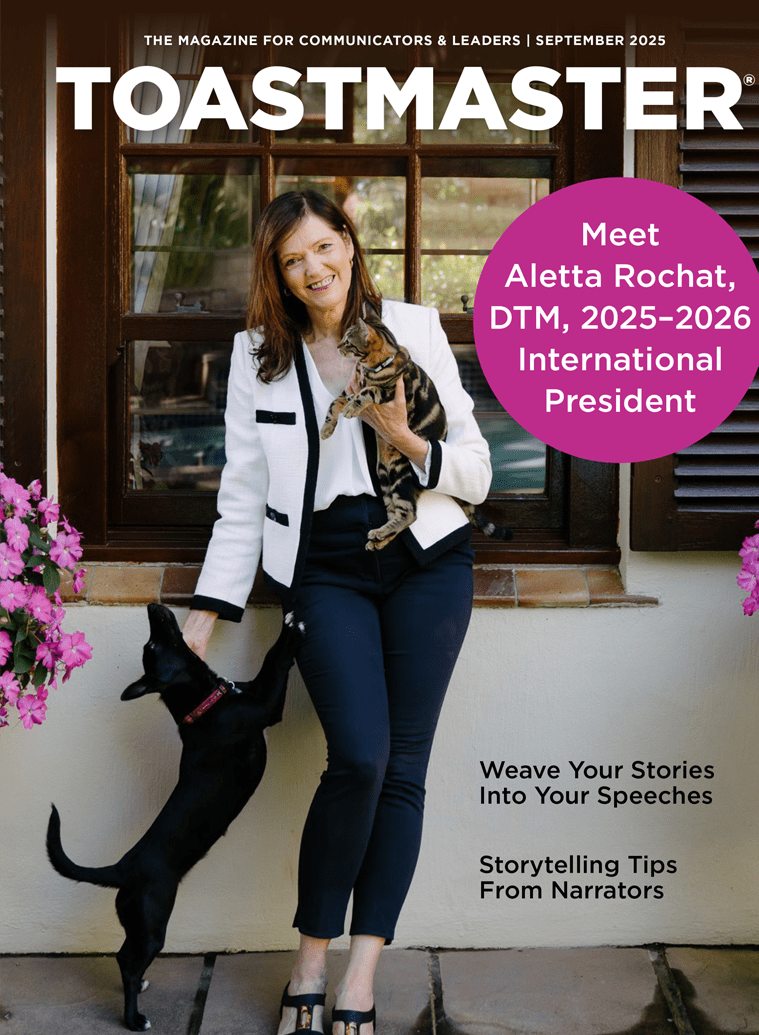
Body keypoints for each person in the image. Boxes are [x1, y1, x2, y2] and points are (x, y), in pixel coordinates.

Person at [182, 190, 491, 1035]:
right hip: (323, 567)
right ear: (278, 275)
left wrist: (407, 438)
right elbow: (243, 495)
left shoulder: (415, 328)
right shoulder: (258, 356)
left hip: (426, 558)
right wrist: (207, 612)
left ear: (350, 245)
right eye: (293, 259)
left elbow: (476, 469)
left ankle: (359, 975)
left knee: (403, 768)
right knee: (358, 757)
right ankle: (308, 958)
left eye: (324, 247)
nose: (313, 268)